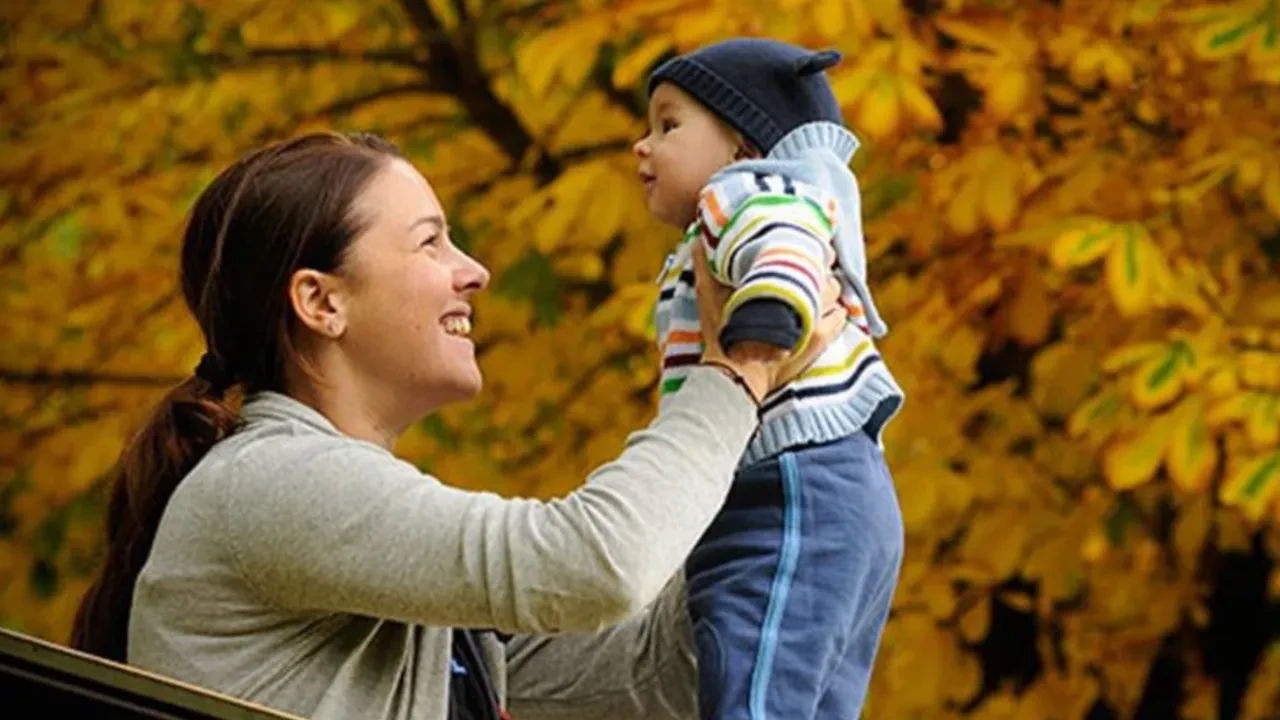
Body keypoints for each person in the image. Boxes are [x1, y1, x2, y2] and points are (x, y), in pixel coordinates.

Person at [67, 130, 846, 720]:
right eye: (430, 241)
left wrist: (806, 428)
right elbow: (596, 565)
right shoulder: (263, 483)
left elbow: (660, 674)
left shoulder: (405, 600)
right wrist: (736, 369)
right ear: (321, 303)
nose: (473, 270)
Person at [632, 38, 906, 719]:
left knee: (750, 685)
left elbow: (784, 240)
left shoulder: (746, 195)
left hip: (784, 488)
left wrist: (767, 310)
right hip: (838, 493)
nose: (643, 146)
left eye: (668, 125)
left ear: (744, 148)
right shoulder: (746, 208)